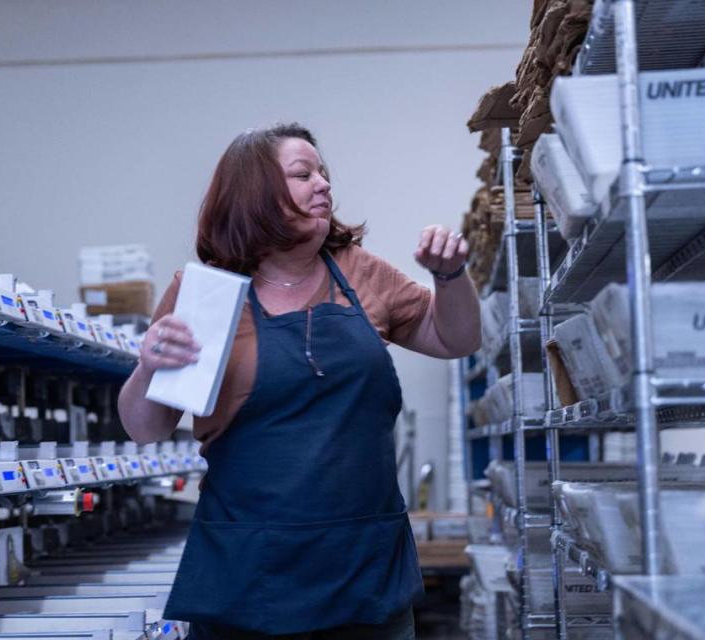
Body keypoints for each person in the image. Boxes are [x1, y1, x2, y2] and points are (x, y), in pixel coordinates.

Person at [118, 123, 480, 639]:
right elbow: (146, 429)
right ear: (256, 193)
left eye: (324, 173)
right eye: (303, 174)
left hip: (364, 569)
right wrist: (148, 366)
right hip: (250, 574)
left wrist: (450, 277)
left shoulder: (358, 272)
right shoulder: (208, 296)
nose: (324, 184)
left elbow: (456, 340)